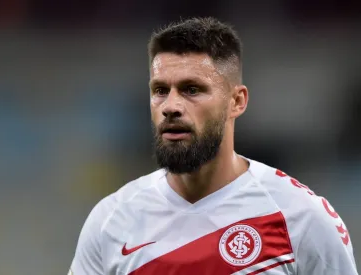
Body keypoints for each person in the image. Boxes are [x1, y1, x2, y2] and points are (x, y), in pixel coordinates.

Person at [68, 17, 358, 275]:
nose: (171, 106)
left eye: (191, 89)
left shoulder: (302, 218)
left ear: (236, 101)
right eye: (160, 91)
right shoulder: (111, 219)